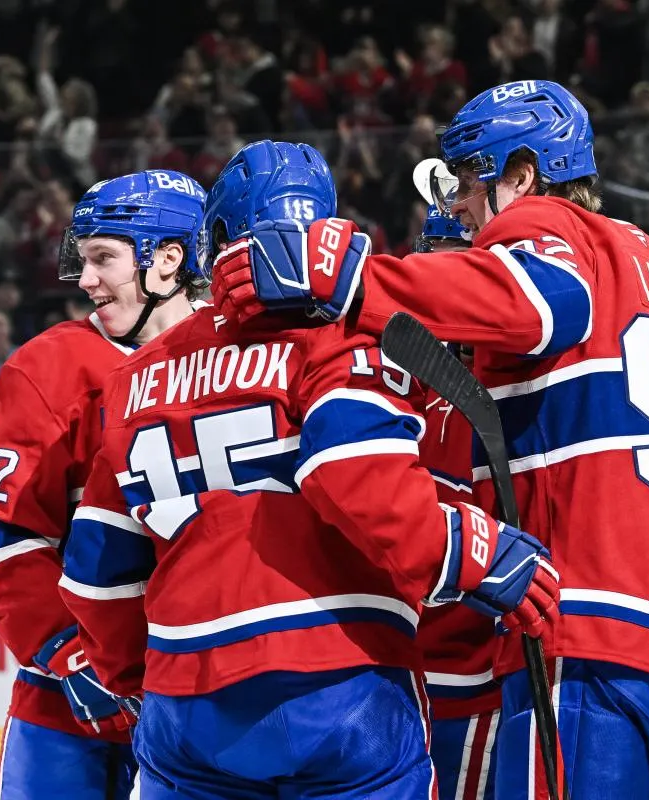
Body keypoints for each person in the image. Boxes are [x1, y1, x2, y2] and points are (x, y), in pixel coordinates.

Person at [211, 79, 649, 799]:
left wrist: (349, 278)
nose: (457, 206)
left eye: (469, 182)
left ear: (523, 175)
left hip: (597, 622)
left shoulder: (541, 224)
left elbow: (547, 306)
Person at [59, 140, 558, 799]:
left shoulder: (133, 378)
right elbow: (354, 472)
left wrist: (135, 677)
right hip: (342, 678)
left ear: (212, 242)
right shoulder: (340, 338)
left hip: (187, 699)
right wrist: (479, 553)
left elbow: (97, 576)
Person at [0, 169, 208, 800]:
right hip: (71, 703)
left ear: (168, 259)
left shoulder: (242, 355)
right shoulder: (48, 368)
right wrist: (72, 656)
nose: (86, 280)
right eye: (83, 259)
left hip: (208, 695)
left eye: (103, 259)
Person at [410, 193, 503, 800]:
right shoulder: (397, 383)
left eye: (459, 268)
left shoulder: (510, 394)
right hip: (394, 676)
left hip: (471, 680)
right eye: (433, 268)